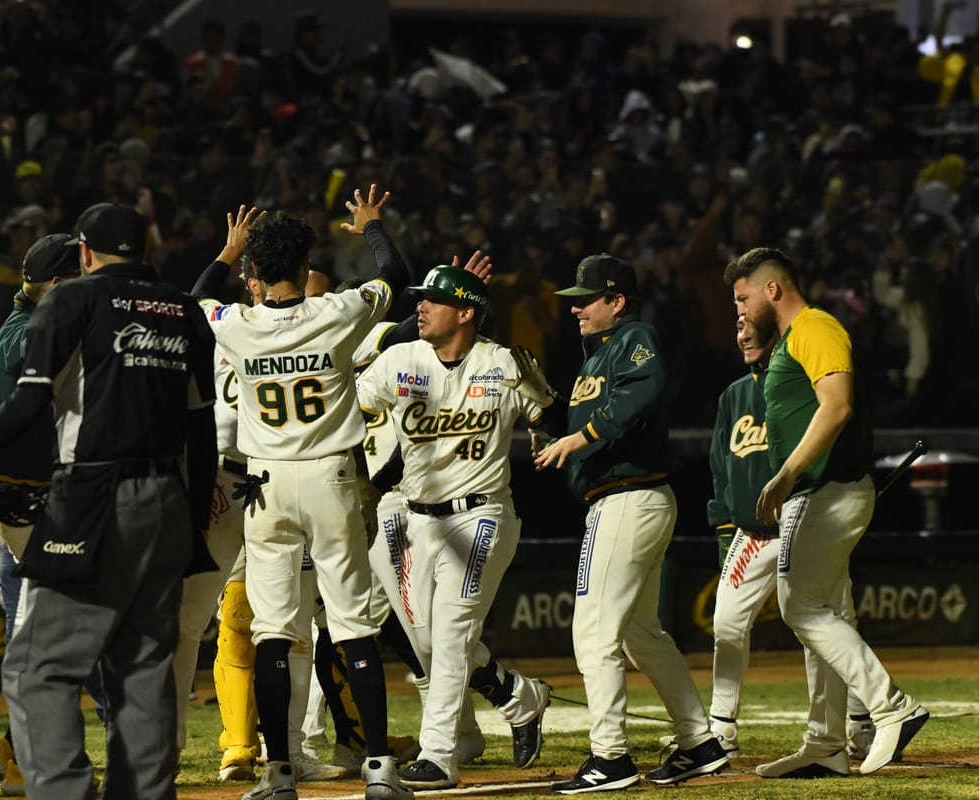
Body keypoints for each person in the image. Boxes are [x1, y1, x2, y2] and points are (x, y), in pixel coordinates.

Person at [0, 203, 218, 799]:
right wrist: (193, 524)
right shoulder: (184, 310)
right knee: (143, 670)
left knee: (35, 668)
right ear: (145, 247)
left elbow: (23, 404)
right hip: (169, 500)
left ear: (87, 252)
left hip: (94, 495)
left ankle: (64, 791)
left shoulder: (70, 302)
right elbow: (203, 432)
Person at [208, 186, 412, 800]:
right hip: (330, 478)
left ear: (253, 273)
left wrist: (228, 250)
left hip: (265, 485)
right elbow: (394, 276)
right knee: (351, 624)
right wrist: (372, 226)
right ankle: (378, 768)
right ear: (304, 268)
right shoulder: (337, 312)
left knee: (273, 632)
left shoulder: (238, 324)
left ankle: (278, 773)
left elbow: (198, 299)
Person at [724, 247, 928, 778]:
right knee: (823, 614)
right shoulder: (793, 338)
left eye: (744, 297)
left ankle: (891, 707)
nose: (741, 311)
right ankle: (825, 744)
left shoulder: (815, 326)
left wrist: (787, 473)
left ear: (773, 290)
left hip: (827, 490)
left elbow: (837, 405)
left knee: (800, 607)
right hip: (818, 491)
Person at [534, 254, 728, 792]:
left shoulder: (633, 336)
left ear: (616, 301)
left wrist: (576, 439)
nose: (575, 309)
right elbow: (594, 417)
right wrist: (550, 426)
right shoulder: (594, 356)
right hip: (627, 500)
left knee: (593, 631)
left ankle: (610, 757)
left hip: (629, 498)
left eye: (585, 299)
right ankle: (699, 741)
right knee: (643, 634)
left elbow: (644, 391)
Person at [354, 264, 552, 790]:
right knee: (425, 639)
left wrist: (543, 426)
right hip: (415, 517)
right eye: (420, 297)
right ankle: (515, 693)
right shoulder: (401, 359)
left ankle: (439, 756)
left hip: (481, 513)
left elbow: (549, 416)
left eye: (433, 300)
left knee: (452, 633)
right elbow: (348, 405)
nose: (420, 306)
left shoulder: (502, 363)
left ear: (466, 313)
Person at [707, 315, 875, 763]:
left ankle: (859, 721)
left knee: (830, 625)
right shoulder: (733, 396)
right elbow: (720, 471)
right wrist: (725, 527)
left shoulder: (799, 388)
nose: (740, 333)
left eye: (748, 324)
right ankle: (720, 727)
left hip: (807, 522)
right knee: (726, 621)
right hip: (754, 531)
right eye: (736, 325)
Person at [0, 231, 83, 796]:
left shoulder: (20, 323)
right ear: (58, 283)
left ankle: (14, 751)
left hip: (17, 500)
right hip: (32, 504)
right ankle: (31, 762)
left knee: (35, 632)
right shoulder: (42, 328)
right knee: (63, 637)